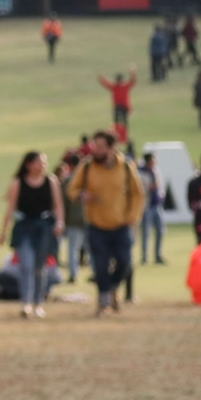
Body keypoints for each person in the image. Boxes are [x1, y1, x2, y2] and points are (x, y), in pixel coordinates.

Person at [66, 131, 144, 317]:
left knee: (124, 262)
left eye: (101, 146)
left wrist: (132, 216)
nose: (96, 150)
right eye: (95, 146)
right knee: (100, 265)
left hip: (121, 225)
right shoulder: (87, 167)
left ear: (111, 148)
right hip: (96, 225)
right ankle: (103, 303)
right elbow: (72, 190)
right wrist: (82, 196)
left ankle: (112, 289)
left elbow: (137, 193)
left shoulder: (125, 167)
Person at [0, 151, 64, 319]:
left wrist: (59, 222)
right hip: (24, 228)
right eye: (39, 162)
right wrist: (3, 232)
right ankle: (26, 303)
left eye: (44, 162)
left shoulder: (51, 181)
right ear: (28, 164)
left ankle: (38, 303)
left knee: (40, 268)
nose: (42, 165)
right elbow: (10, 208)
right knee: (26, 265)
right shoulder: (18, 183)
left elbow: (57, 205)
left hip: (44, 228)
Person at [57, 157, 86, 283]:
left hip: (73, 220)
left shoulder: (69, 180)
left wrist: (63, 220)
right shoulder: (89, 179)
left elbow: (64, 203)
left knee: (72, 248)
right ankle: (97, 274)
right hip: (90, 219)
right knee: (93, 249)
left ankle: (73, 274)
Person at [137, 152, 166, 266]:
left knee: (160, 230)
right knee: (146, 231)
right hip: (147, 205)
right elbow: (139, 188)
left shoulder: (155, 170)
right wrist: (149, 187)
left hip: (156, 204)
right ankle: (144, 257)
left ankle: (158, 255)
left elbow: (160, 185)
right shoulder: (141, 172)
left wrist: (161, 195)